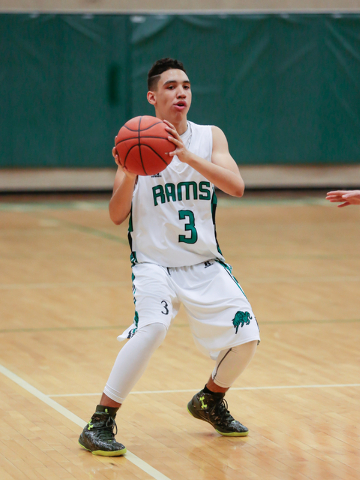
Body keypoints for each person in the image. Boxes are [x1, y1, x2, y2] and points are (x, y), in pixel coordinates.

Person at [78, 58, 260, 456]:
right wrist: (128, 171)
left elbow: (237, 186)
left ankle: (210, 399)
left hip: (203, 261)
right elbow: (115, 214)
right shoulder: (134, 137)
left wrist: (188, 157)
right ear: (153, 96)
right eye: (172, 86)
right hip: (153, 264)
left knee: (246, 337)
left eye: (187, 86)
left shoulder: (210, 137)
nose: (181, 92)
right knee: (154, 327)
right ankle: (99, 421)